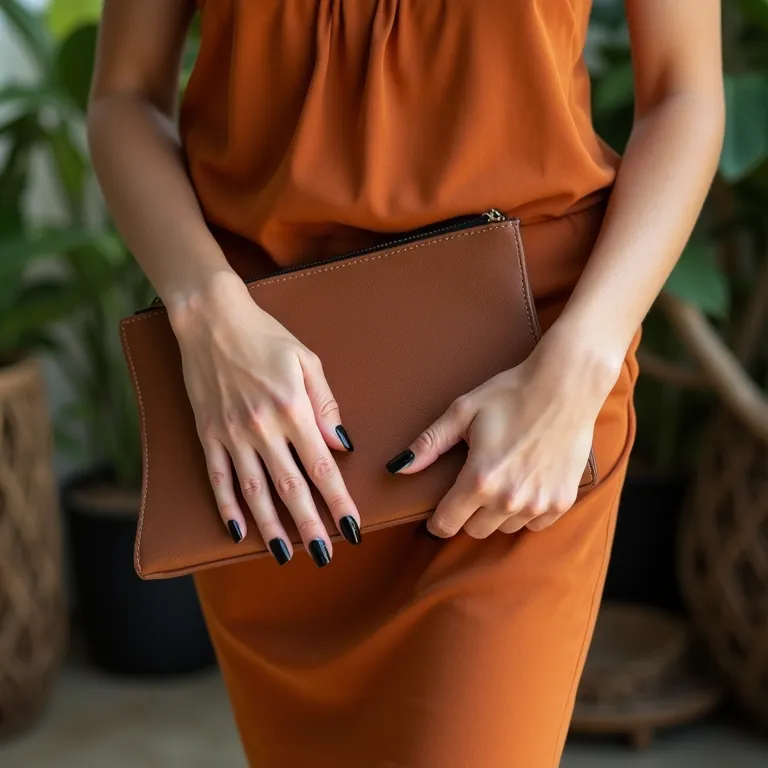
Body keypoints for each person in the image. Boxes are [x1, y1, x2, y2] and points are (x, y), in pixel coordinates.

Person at [86, 1, 724, 765]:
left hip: (523, 396)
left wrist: (580, 363)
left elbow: (685, 92)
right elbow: (124, 95)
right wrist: (205, 312)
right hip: (269, 415)